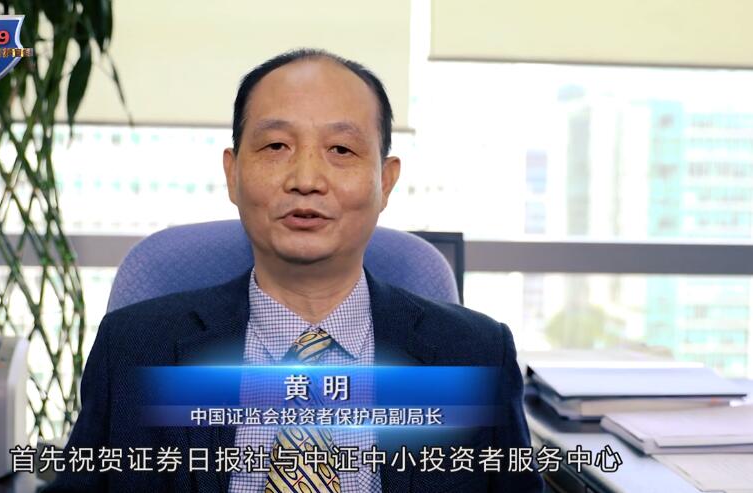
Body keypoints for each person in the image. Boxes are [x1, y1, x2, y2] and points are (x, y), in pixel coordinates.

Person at [45, 48, 544, 493]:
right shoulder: (133, 347)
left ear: (385, 182)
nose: (306, 180)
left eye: (341, 150)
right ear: (232, 174)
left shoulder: (476, 355)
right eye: (276, 146)